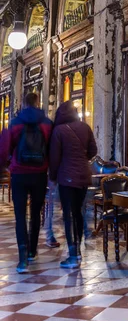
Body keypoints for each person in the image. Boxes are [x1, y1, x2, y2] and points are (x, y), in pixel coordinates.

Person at [0, 93, 52, 273]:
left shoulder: (15, 123)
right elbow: (51, 148)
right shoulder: (46, 123)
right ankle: (32, 251)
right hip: (39, 174)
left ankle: (22, 258)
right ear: (38, 103)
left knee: (20, 215)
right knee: (36, 214)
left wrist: (9, 164)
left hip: (19, 174)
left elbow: (6, 148)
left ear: (23, 103)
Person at [49, 101, 97, 268]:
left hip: (67, 178)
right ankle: (78, 252)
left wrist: (53, 177)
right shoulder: (85, 127)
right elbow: (93, 151)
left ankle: (73, 254)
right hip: (84, 176)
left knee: (69, 215)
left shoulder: (59, 130)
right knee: (78, 213)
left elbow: (54, 158)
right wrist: (81, 160)